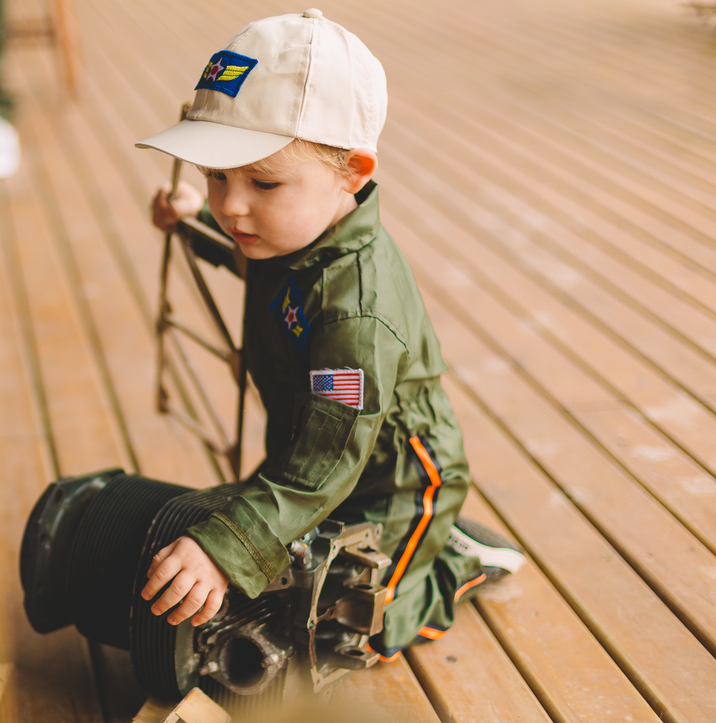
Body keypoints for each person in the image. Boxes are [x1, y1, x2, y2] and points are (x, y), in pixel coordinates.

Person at [135, 9, 526, 661]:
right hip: (309, 436)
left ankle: (450, 563)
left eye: (261, 181)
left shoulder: (357, 317)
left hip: (392, 476)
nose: (233, 205)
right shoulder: (284, 228)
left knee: (358, 632)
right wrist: (194, 221)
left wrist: (224, 545)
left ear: (352, 172)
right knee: (290, 570)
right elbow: (247, 249)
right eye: (216, 175)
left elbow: (328, 464)